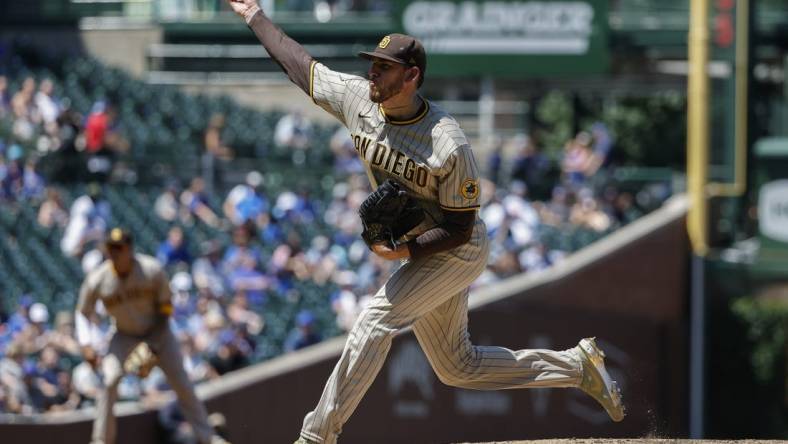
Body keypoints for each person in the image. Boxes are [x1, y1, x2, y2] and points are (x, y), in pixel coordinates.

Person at [226, 2, 625, 443]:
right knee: (458, 367)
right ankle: (577, 366)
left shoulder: (447, 141)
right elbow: (301, 67)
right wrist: (254, 16)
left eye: (384, 68)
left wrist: (403, 252)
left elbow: (458, 227)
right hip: (421, 248)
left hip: (458, 248)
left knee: (375, 320)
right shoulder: (360, 100)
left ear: (411, 75)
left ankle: (316, 436)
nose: (373, 74)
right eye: (373, 65)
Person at [75, 228, 228, 444]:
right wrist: (85, 343)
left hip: (159, 333)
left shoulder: (150, 270)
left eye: (119, 248)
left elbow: (166, 308)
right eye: (111, 248)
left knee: (182, 383)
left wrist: (153, 345)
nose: (115, 252)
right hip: (124, 334)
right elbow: (82, 312)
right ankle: (100, 440)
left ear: (130, 249)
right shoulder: (98, 279)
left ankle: (208, 437)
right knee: (109, 381)